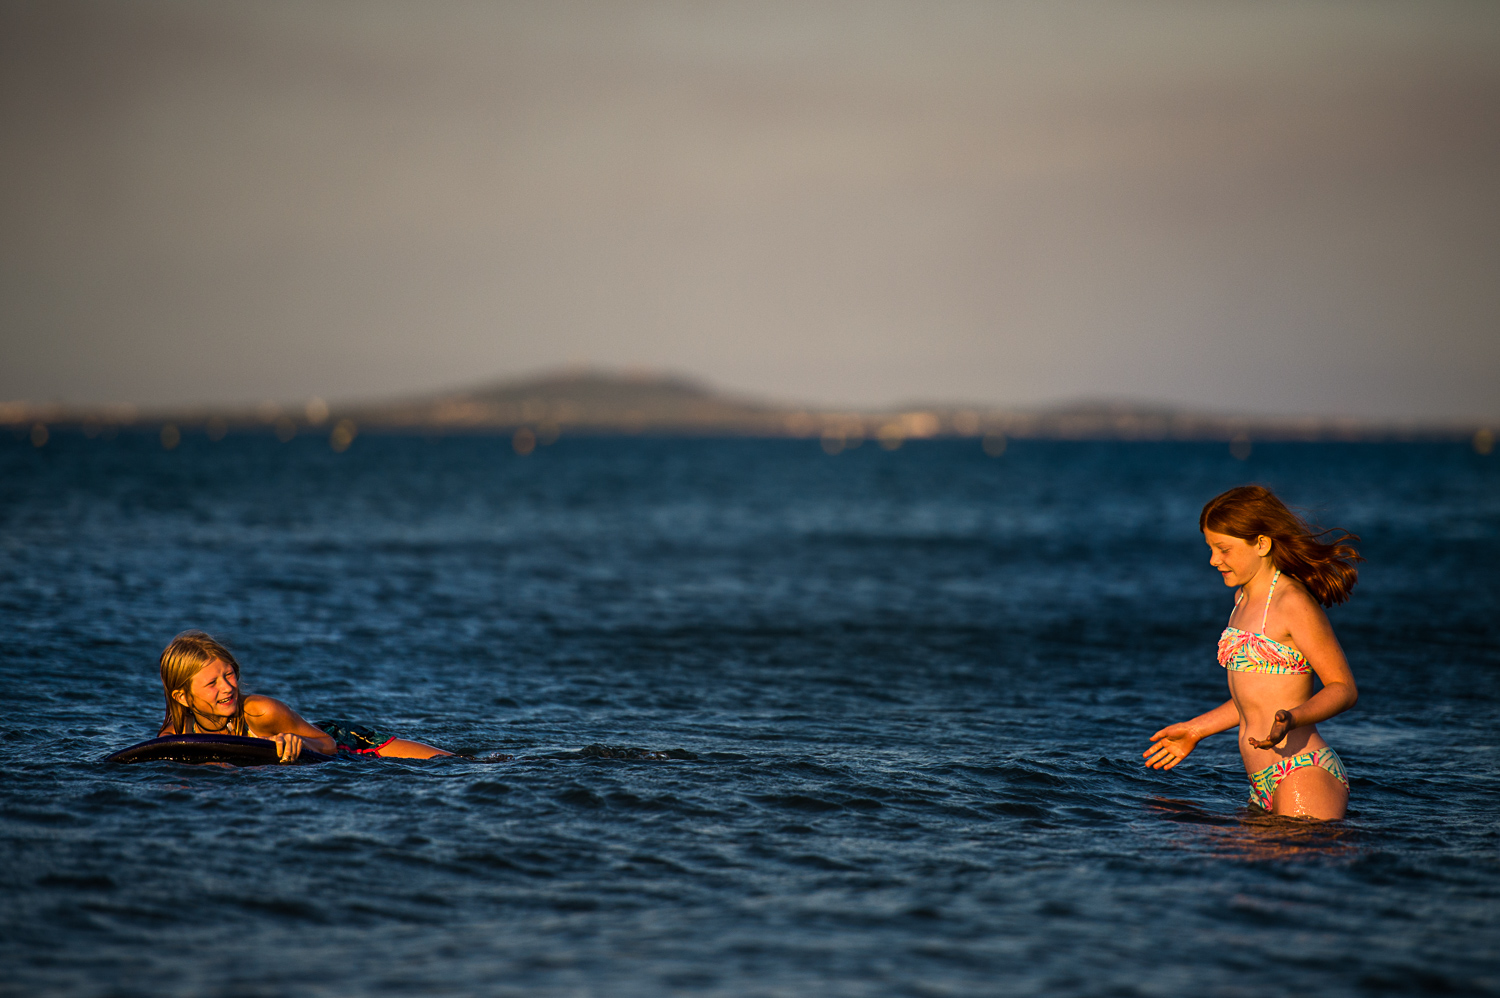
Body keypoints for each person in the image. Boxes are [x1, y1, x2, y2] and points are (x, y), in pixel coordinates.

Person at [1143, 486, 1361, 820]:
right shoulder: (1242, 601)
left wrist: (1293, 717)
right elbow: (1254, 700)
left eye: (1224, 549)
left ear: (1261, 543)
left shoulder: (1292, 602)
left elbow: (1343, 688)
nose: (1214, 560)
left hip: (1302, 771)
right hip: (1260, 780)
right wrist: (1196, 730)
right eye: (1211, 548)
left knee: (1299, 867)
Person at [158, 630, 452, 762]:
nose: (227, 687)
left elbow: (328, 744)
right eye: (212, 683)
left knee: (454, 765)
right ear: (183, 697)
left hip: (348, 744)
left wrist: (295, 742)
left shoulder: (259, 712)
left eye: (230, 674)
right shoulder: (173, 735)